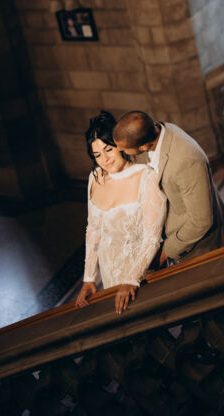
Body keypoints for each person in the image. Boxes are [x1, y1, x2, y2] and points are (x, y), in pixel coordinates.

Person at [113, 111, 224, 265]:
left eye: (123, 149)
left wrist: (168, 250)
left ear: (144, 146)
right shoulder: (160, 132)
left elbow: (201, 221)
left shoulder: (185, 160)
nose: (119, 151)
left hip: (205, 248)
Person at [75, 110, 166, 313]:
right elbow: (94, 230)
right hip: (110, 275)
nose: (105, 159)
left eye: (108, 149)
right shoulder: (95, 178)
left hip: (141, 275)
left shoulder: (146, 177)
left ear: (119, 145)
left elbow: (152, 238)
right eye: (97, 155)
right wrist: (89, 278)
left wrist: (131, 280)